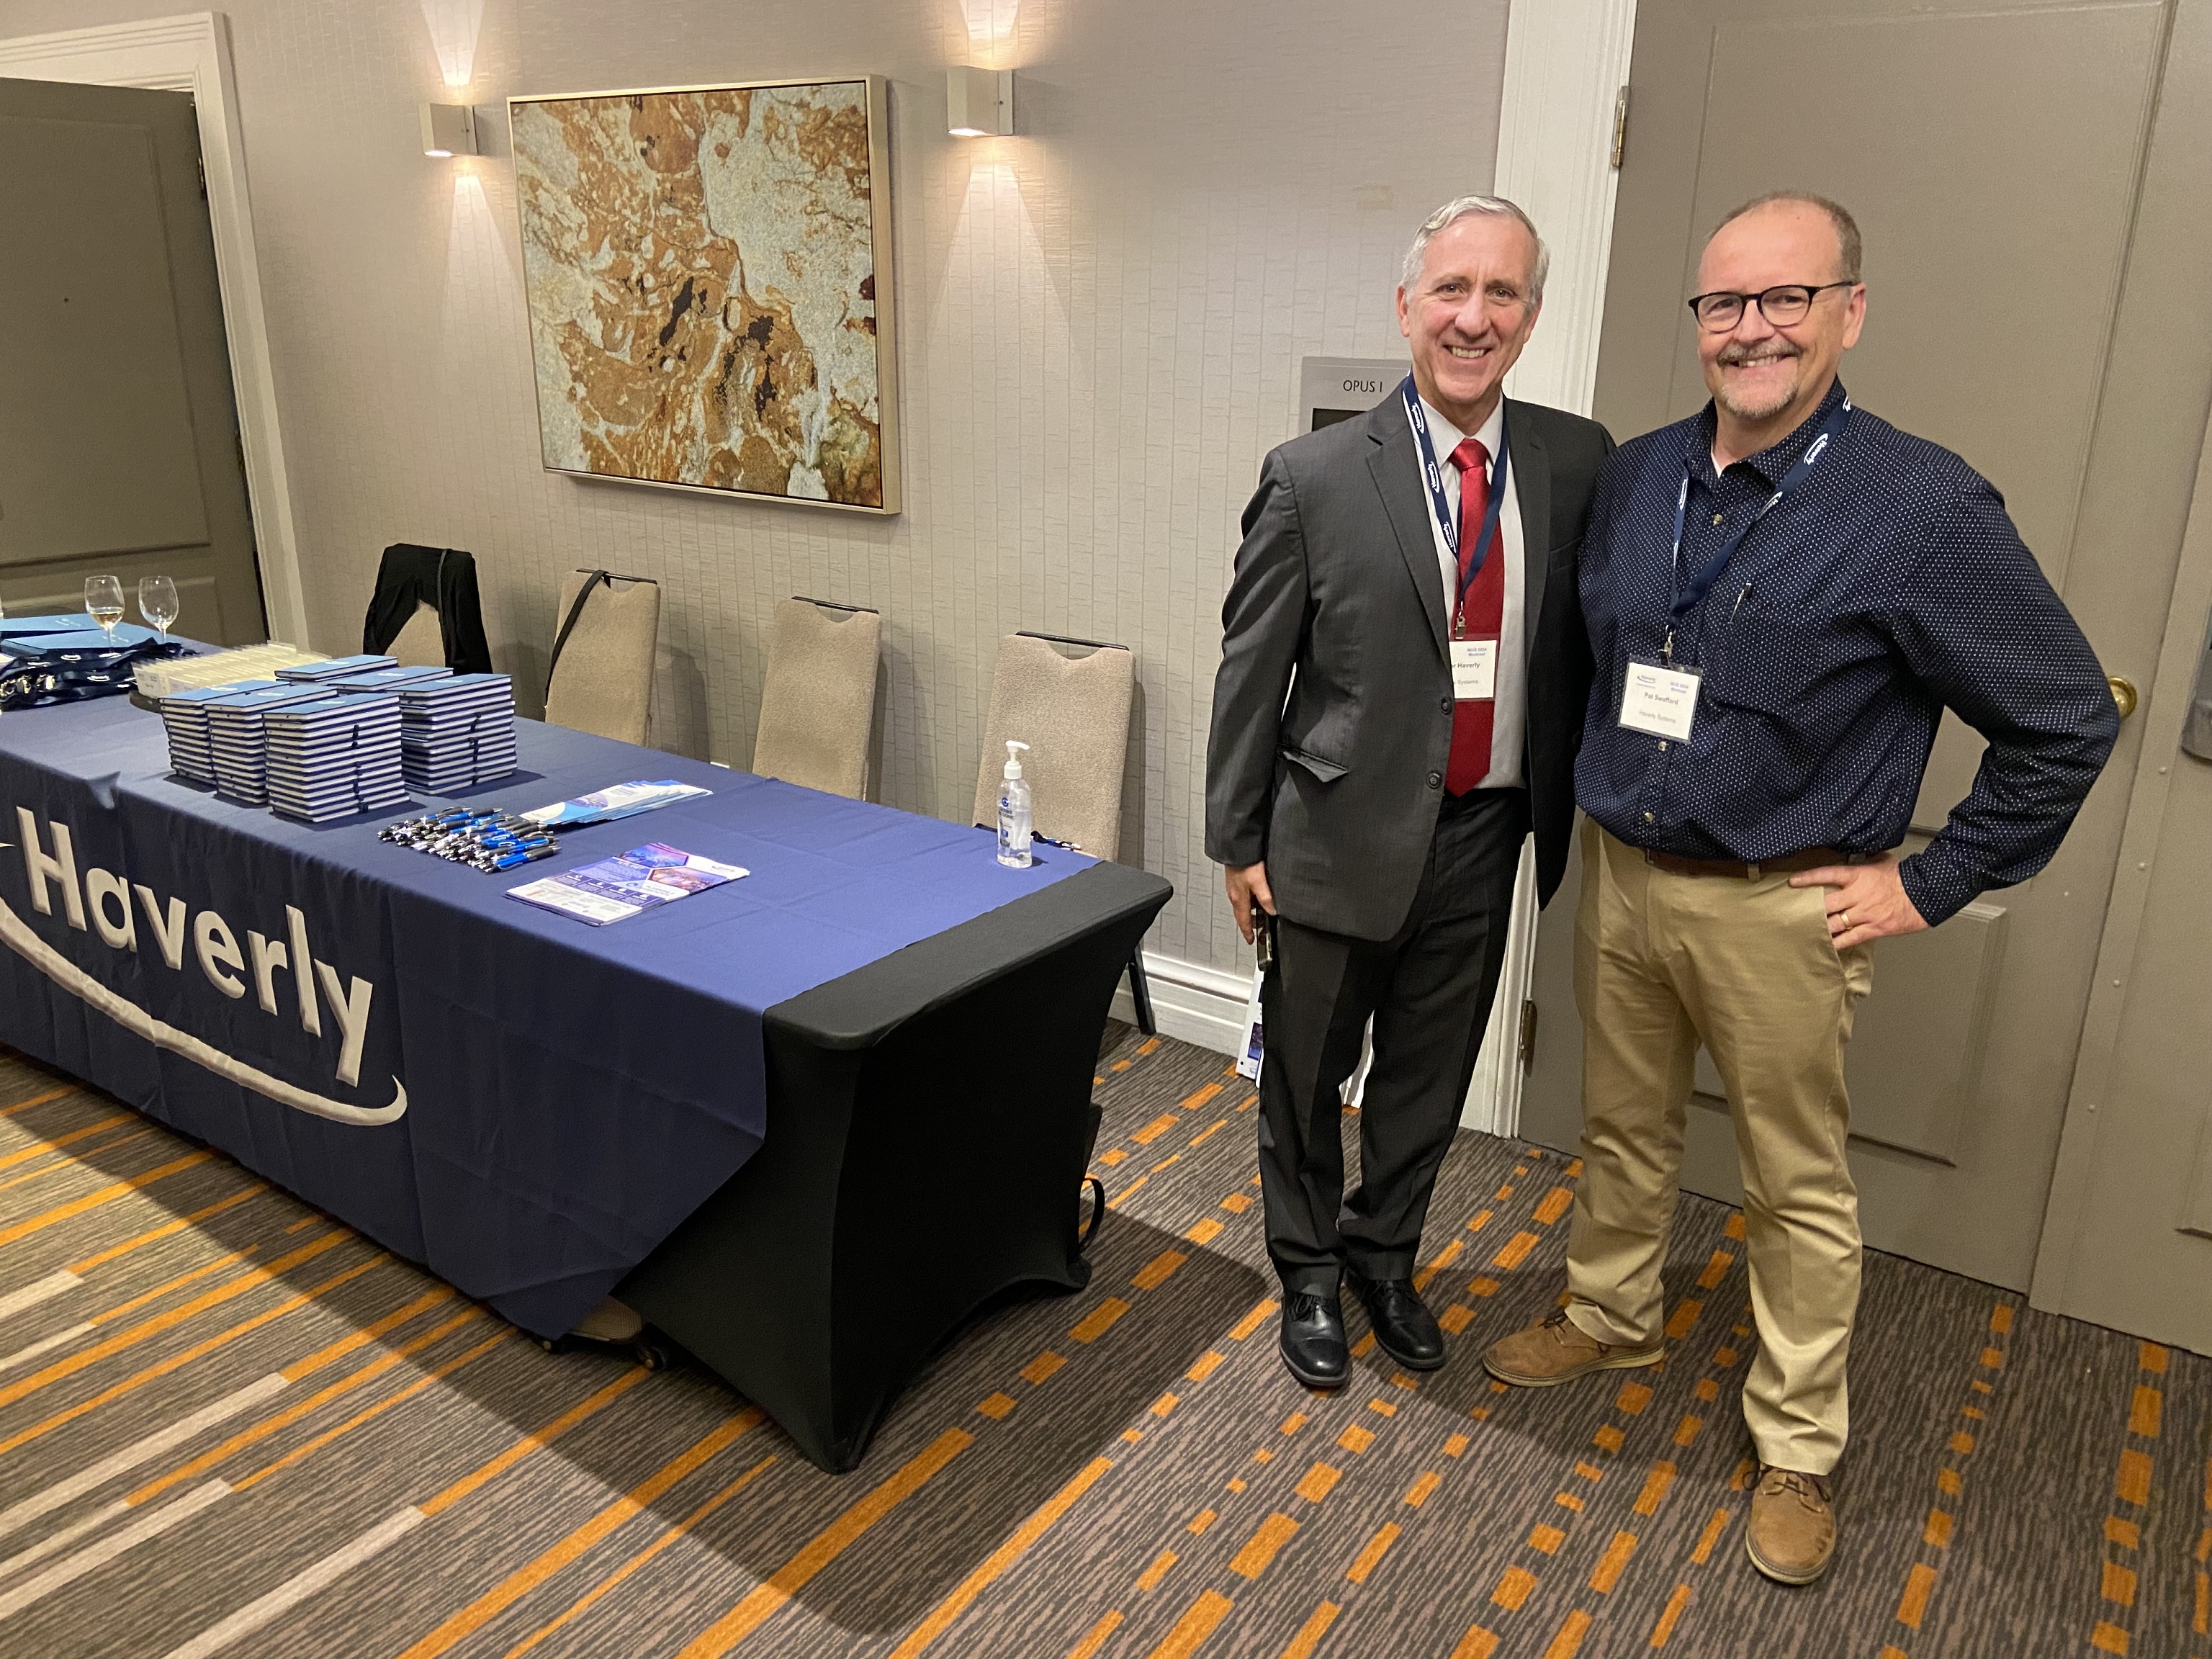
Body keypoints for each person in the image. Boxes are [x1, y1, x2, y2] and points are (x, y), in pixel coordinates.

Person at [1481, 192, 2118, 1586]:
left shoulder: (1920, 508)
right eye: (1725, 303)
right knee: (1622, 1124)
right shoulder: (1639, 478)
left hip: (1782, 906)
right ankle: (1612, 1315)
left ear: (1850, 312)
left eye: (1787, 299)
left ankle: (1798, 1443)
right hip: (1628, 876)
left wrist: (1932, 883)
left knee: (1795, 1185)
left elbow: (2067, 717)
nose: (1752, 330)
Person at [1205, 196, 1613, 1392]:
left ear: (1531, 316)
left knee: (1428, 1079)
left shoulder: (1577, 460)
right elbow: (1252, 670)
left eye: (1502, 294)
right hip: (1331, 837)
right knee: (1305, 1076)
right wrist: (1238, 839)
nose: (1473, 318)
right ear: (1406, 307)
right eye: (1451, 290)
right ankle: (1309, 1272)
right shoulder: (1315, 476)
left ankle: (1383, 1258)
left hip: (1487, 833)